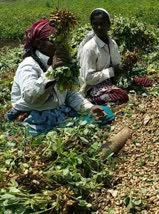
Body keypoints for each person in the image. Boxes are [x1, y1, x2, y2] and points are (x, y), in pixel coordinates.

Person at [4, 18, 130, 154]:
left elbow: (70, 93)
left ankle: (76, 140)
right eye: (54, 40)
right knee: (56, 141)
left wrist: (89, 108)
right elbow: (31, 97)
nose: (60, 45)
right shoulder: (29, 66)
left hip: (59, 110)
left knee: (106, 113)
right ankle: (84, 150)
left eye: (62, 40)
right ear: (39, 44)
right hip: (34, 116)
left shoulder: (60, 62)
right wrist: (52, 71)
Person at [78, 8, 152, 105]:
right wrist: (112, 71)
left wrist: (126, 65)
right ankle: (92, 100)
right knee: (122, 95)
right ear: (92, 26)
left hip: (112, 78)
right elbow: (89, 78)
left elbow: (117, 65)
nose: (99, 27)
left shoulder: (112, 43)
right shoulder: (90, 48)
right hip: (94, 85)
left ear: (109, 25)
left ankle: (113, 89)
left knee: (146, 81)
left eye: (102, 24)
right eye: (95, 24)